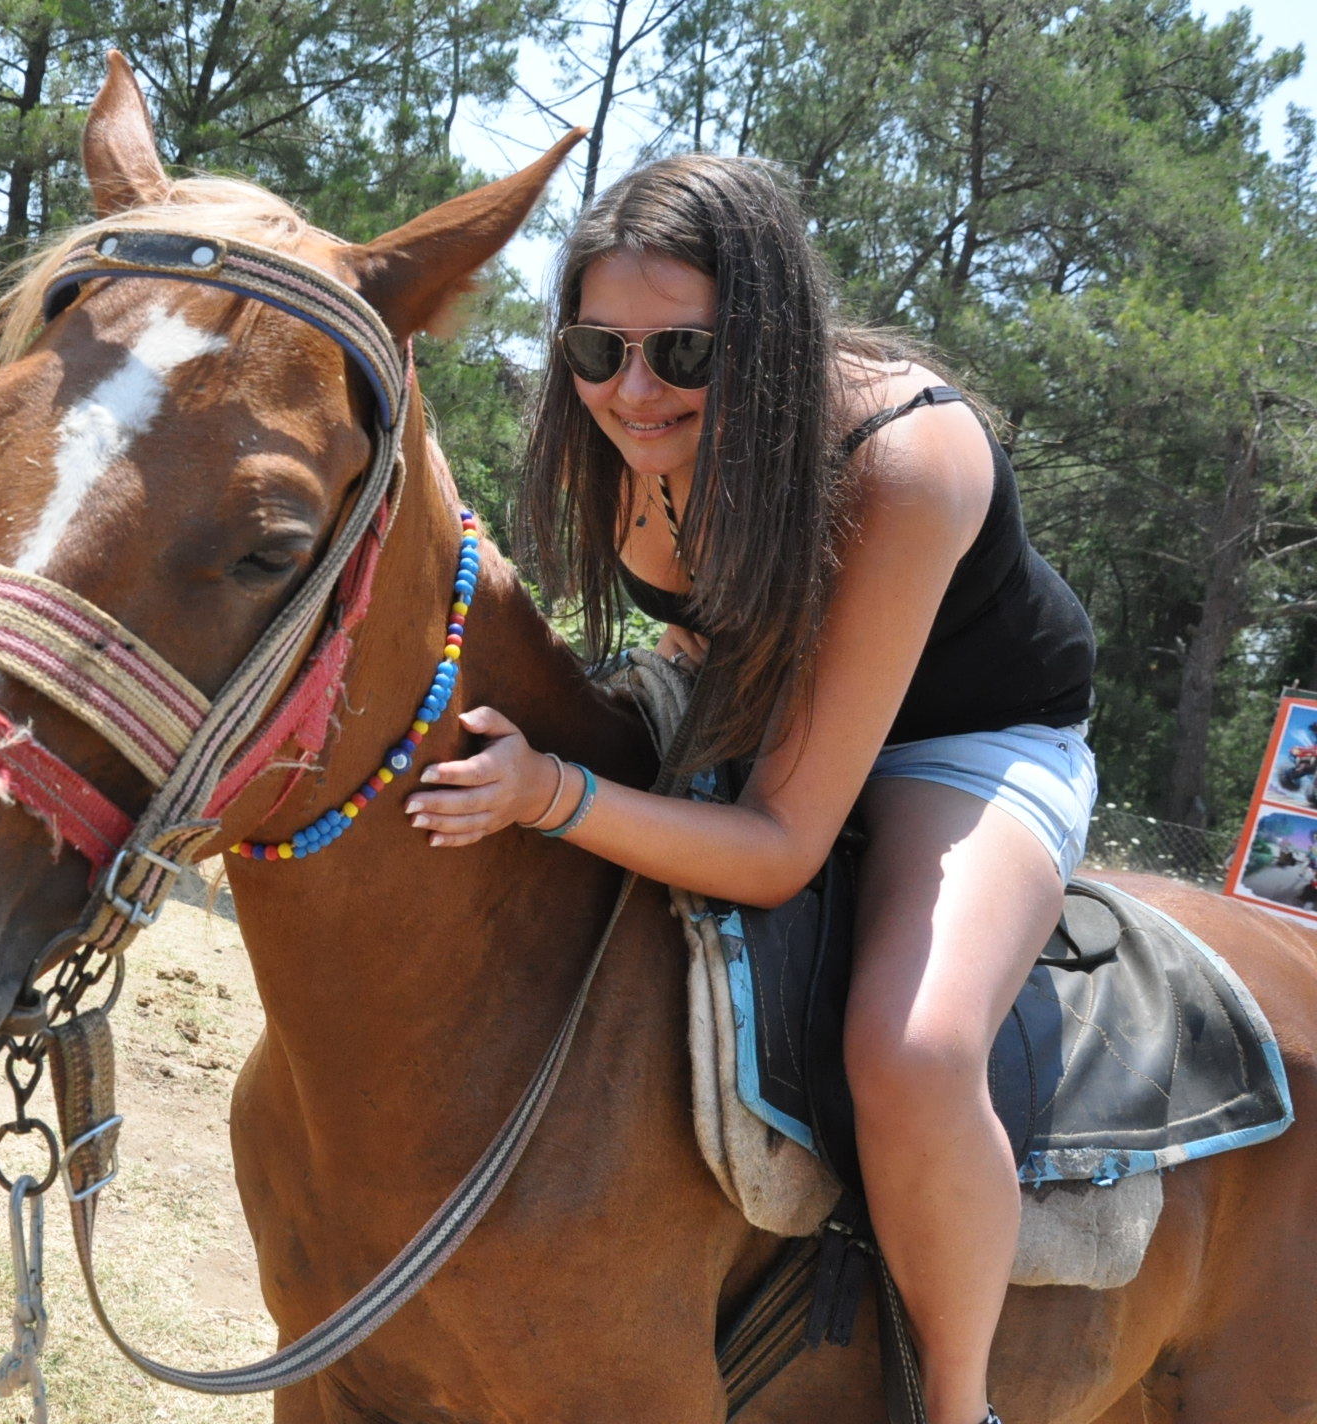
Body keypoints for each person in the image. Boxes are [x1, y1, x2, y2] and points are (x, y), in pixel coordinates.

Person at [404, 155, 1095, 1424]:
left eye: (682, 351)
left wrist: (553, 789)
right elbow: (706, 631)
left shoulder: (905, 455)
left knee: (913, 1049)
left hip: (962, 740)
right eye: (596, 349)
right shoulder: (608, 437)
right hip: (754, 688)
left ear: (769, 339)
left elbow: (778, 845)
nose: (632, 389)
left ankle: (956, 1401)